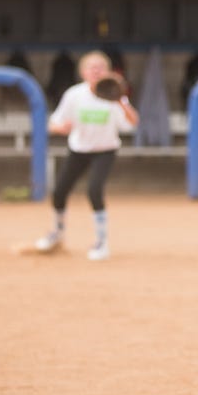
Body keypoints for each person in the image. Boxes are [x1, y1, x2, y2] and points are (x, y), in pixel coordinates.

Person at [33, 50, 139, 262]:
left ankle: (101, 242)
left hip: (105, 151)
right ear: (83, 72)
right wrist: (60, 127)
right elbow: (53, 123)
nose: (96, 71)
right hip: (79, 150)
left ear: (108, 72)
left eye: (101, 67)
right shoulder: (74, 95)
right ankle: (57, 233)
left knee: (94, 191)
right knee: (60, 192)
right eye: (92, 67)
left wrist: (121, 100)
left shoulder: (114, 96)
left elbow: (133, 122)